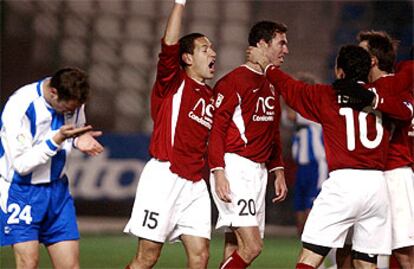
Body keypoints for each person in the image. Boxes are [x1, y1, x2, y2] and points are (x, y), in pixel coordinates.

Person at [247, 44, 413, 269]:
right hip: (377, 187)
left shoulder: (327, 95)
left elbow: (289, 87)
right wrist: (373, 100)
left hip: (343, 184)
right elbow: (406, 111)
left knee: (309, 257)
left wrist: (266, 66)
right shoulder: (380, 96)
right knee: (366, 263)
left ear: (339, 72)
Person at [123, 0, 216, 268]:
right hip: (165, 178)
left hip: (196, 183)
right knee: (147, 257)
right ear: (187, 58)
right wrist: (179, 3)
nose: (213, 52)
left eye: (212, 47)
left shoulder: (211, 97)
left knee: (200, 256)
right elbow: (169, 45)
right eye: (204, 48)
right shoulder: (173, 82)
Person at [0, 67, 104, 269]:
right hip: (21, 191)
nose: (71, 113)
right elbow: (21, 164)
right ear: (54, 93)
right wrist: (56, 140)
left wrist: (77, 140)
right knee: (28, 264)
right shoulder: (20, 106)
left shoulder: (73, 100)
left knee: (70, 267)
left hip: (57, 191)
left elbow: (72, 132)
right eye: (68, 109)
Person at [208, 21, 288, 269]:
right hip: (236, 168)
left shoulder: (272, 82)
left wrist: (278, 169)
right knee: (253, 247)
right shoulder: (232, 82)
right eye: (281, 43)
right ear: (262, 45)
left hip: (259, 171)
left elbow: (273, 131)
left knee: (236, 246)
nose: (286, 50)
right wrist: (218, 171)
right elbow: (216, 131)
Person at [334, 31, 414, 269]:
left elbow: (405, 111)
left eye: (362, 51)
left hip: (394, 174)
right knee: (350, 249)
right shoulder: (362, 88)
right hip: (366, 178)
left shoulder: (394, 83)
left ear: (372, 60)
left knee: (404, 253)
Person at [285, 73, 327, 237]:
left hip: (317, 166)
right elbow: (287, 117)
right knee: (300, 216)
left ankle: (322, 256)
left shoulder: (315, 110)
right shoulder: (299, 111)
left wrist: (289, 93)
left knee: (313, 214)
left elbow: (291, 115)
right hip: (301, 168)